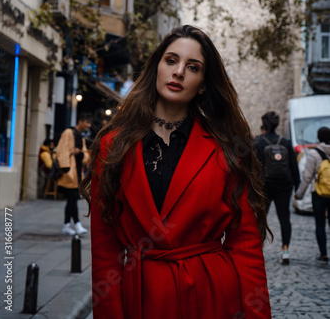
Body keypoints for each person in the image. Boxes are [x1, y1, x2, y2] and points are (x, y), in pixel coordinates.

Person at [81, 25, 272, 319]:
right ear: (157, 66)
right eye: (171, 60)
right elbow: (105, 252)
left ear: (203, 83)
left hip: (212, 296)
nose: (179, 71)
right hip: (142, 297)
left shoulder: (227, 149)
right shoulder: (112, 147)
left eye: (192, 67)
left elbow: (245, 246)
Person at [254, 111, 300, 265]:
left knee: (261, 218)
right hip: (284, 185)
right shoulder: (286, 142)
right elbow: (293, 166)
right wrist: (297, 185)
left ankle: (258, 249)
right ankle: (285, 250)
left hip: (264, 185)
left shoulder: (258, 142)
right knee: (284, 218)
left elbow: (253, 167)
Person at [295, 126, 330, 264]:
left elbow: (307, 177)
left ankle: (323, 254)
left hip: (319, 194)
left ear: (318, 138)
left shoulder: (314, 153)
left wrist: (299, 195)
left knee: (320, 224)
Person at [56, 113, 92, 236]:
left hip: (77, 173)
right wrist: (66, 165)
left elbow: (85, 153)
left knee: (71, 200)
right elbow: (61, 150)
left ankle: (67, 224)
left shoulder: (80, 137)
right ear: (81, 121)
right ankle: (76, 223)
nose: (89, 125)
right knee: (73, 199)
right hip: (69, 172)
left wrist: (80, 154)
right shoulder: (68, 133)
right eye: (87, 122)